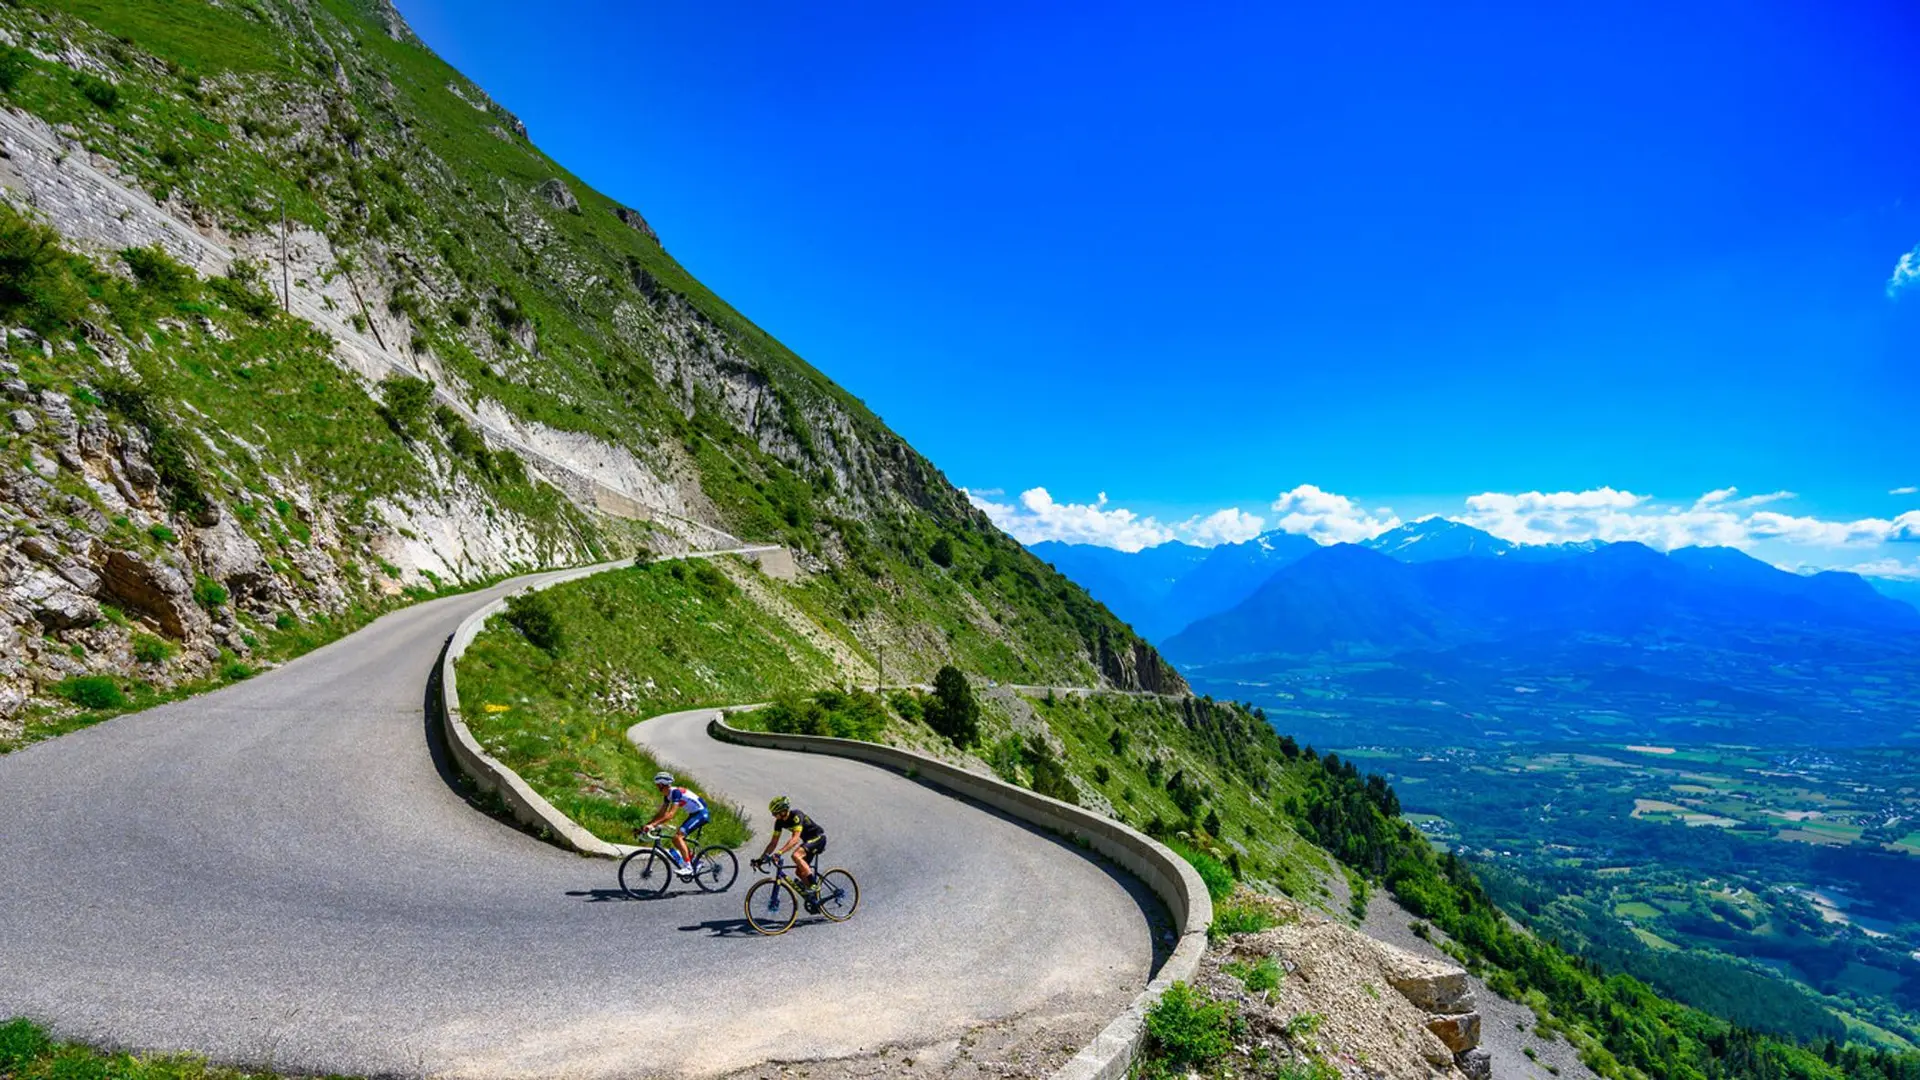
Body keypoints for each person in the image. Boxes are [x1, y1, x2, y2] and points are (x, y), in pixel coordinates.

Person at [756, 795, 827, 910]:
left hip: (818, 838)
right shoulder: (779, 822)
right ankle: (814, 899)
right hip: (808, 842)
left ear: (783, 811)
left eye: (775, 813)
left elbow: (795, 839)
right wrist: (761, 858)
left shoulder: (796, 816)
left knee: (796, 855)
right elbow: (773, 842)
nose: (773, 815)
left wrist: (779, 852)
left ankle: (814, 884)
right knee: (799, 872)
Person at [642, 771, 708, 879]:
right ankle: (695, 862)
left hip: (701, 813)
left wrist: (653, 825)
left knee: (678, 837)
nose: (656, 788)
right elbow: (661, 814)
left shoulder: (676, 793)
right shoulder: (668, 796)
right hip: (694, 814)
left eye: (657, 785)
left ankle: (688, 868)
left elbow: (671, 814)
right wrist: (647, 825)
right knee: (675, 839)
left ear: (662, 785)